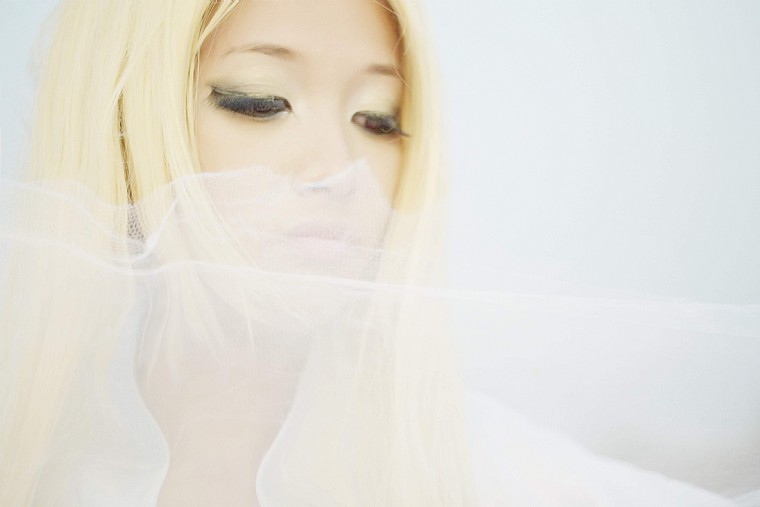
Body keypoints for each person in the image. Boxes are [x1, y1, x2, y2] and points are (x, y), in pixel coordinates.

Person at [1, 0, 758, 506]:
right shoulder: (34, 467)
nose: (341, 170)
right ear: (123, 126)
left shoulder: (472, 467)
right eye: (258, 100)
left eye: (378, 119)